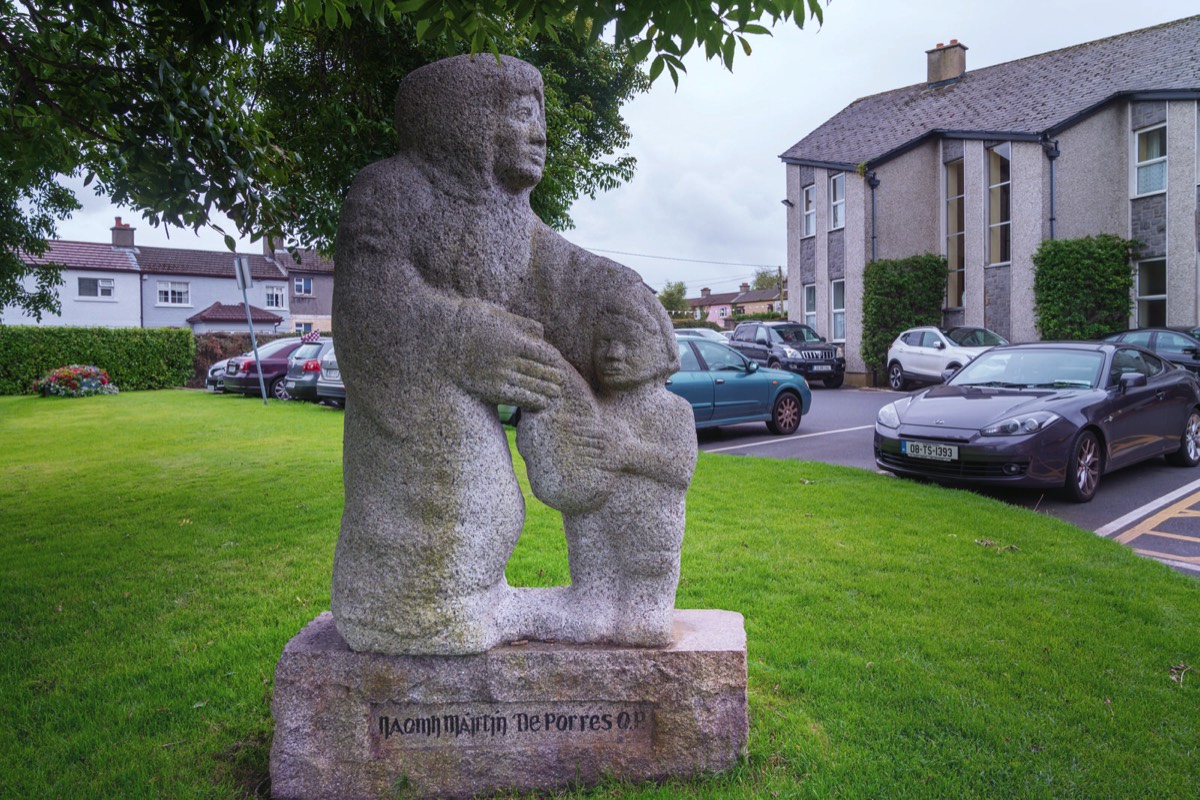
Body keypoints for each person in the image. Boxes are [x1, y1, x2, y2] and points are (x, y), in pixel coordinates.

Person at [330, 55, 684, 655]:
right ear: (467, 120)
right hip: (414, 414)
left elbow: (558, 274)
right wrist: (463, 337)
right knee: (466, 494)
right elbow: (370, 308)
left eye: (539, 115)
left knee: (531, 475)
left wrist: (615, 295)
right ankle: (411, 612)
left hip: (462, 395)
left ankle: (617, 599)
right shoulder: (389, 192)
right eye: (524, 115)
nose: (541, 133)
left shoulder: (509, 219)